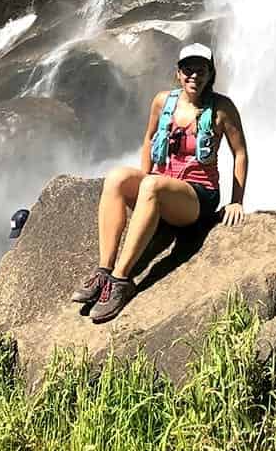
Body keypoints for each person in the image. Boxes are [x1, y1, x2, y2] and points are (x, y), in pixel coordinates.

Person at [72, 41, 248, 324]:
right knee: (117, 177)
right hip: (163, 188)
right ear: (178, 73)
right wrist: (144, 179)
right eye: (188, 69)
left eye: (201, 70)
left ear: (210, 73)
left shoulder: (222, 109)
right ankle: (104, 270)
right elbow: (150, 138)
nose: (194, 75)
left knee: (153, 186)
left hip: (197, 197)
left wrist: (236, 200)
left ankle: (121, 281)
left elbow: (239, 153)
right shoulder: (162, 101)